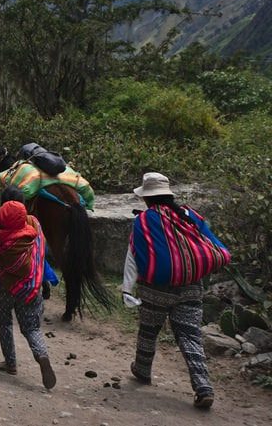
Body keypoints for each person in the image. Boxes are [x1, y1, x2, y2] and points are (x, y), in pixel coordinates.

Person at [122, 172, 230, 410]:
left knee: (149, 330)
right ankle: (203, 386)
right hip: (191, 287)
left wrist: (127, 289)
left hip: (155, 289)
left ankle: (142, 370)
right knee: (190, 335)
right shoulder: (190, 215)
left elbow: (133, 257)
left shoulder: (143, 220)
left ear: (147, 198)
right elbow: (207, 244)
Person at [0, 199, 56, 389]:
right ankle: (41, 355)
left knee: (4, 322)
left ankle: (10, 364)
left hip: (3, 287)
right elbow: (42, 253)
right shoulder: (34, 226)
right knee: (32, 328)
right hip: (31, 287)